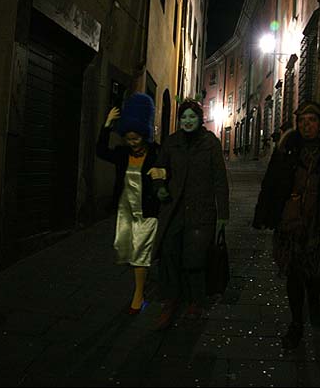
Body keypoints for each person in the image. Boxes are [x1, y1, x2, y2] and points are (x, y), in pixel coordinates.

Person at [253, 101, 320, 349]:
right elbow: (271, 182)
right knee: (294, 274)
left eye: (311, 120)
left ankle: (315, 300)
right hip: (291, 223)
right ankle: (296, 324)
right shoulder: (287, 147)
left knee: (317, 275)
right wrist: (265, 214)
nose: (306, 125)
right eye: (301, 121)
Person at [148, 99, 229, 330]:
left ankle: (195, 301)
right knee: (169, 253)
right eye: (184, 117)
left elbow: (220, 179)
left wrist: (223, 214)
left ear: (200, 119)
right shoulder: (172, 142)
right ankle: (171, 300)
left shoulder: (210, 143)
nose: (188, 121)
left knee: (195, 258)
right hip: (174, 208)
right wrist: (159, 187)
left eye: (192, 116)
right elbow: (158, 169)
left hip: (201, 210)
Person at [96, 93, 160, 315]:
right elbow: (100, 151)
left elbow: (168, 170)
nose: (132, 143)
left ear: (145, 134)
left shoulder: (156, 153)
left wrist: (161, 175)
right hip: (126, 210)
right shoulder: (123, 153)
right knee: (128, 252)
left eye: (136, 138)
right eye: (129, 139)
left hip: (147, 211)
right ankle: (143, 280)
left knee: (140, 253)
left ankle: (138, 294)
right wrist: (107, 125)